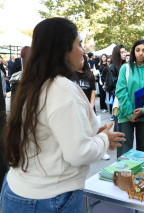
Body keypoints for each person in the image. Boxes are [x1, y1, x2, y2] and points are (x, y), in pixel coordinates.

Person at [1, 17, 125, 212]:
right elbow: (78, 153)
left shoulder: (31, 83)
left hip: (18, 191)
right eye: (79, 44)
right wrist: (103, 138)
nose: (83, 51)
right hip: (50, 198)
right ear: (63, 49)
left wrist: (93, 135)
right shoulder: (62, 89)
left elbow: (50, 137)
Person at [116, 39, 144, 157]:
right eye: (137, 50)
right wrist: (129, 114)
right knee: (124, 151)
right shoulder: (125, 68)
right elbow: (121, 91)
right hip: (126, 115)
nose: (141, 53)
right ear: (133, 52)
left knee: (143, 151)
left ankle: (142, 175)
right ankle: (122, 175)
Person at [105, 45, 126, 120]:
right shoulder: (113, 67)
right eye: (122, 52)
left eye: (124, 52)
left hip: (125, 96)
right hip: (118, 97)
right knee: (118, 122)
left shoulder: (125, 65)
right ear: (117, 54)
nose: (124, 54)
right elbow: (113, 84)